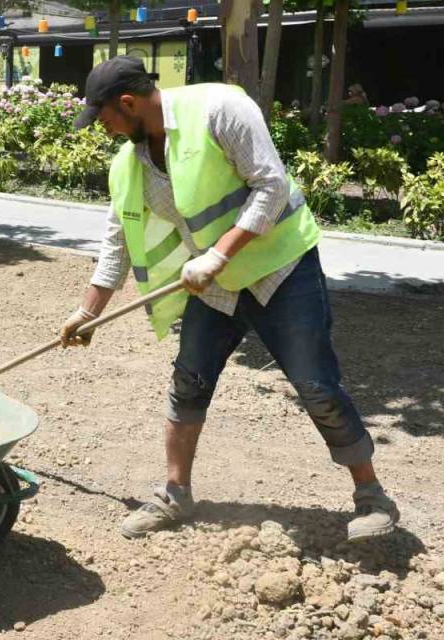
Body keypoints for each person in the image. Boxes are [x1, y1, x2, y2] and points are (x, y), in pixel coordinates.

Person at [62, 56, 400, 542]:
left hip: (280, 270)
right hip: (214, 283)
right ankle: (175, 494)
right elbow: (116, 242)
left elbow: (272, 187)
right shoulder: (128, 164)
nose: (105, 130)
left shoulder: (220, 110)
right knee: (189, 381)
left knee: (316, 385)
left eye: (106, 119)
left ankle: (372, 496)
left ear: (129, 103)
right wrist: (87, 313)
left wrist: (217, 256)